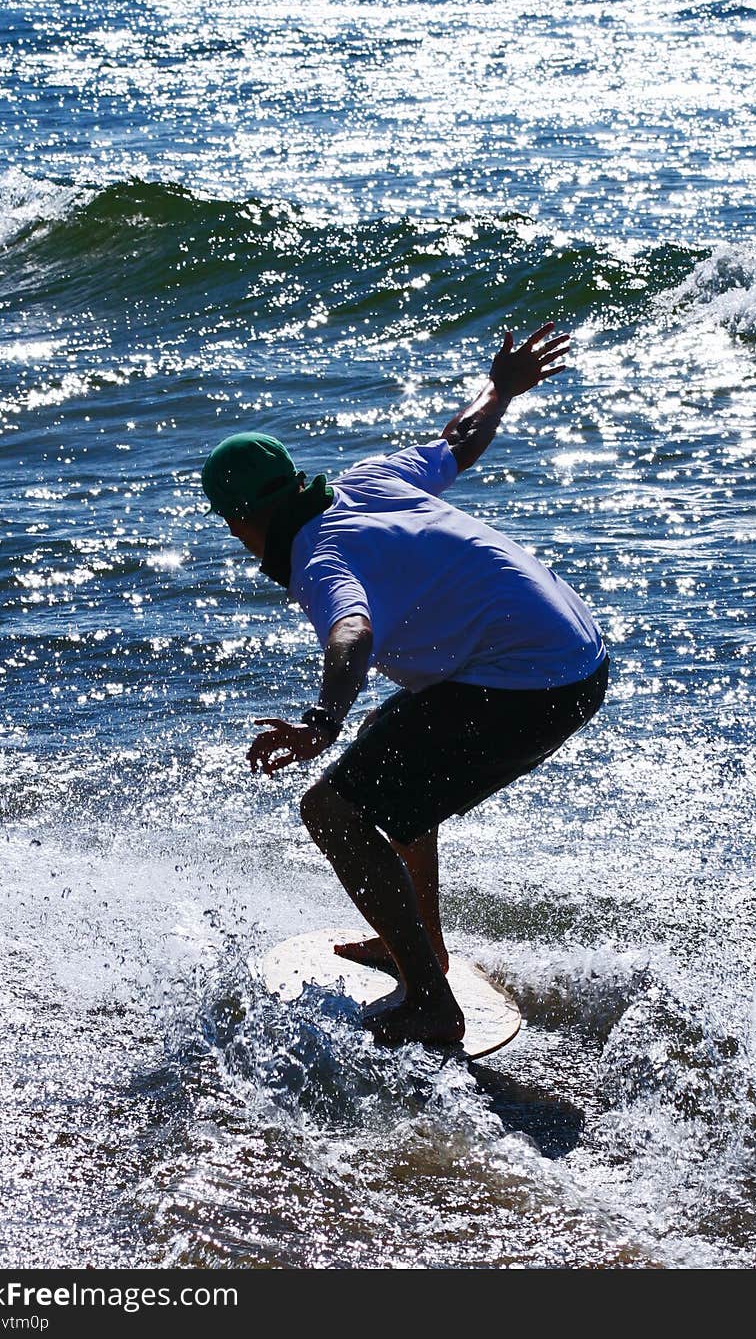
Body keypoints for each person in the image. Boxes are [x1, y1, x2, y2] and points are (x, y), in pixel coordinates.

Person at [201, 323, 608, 1047]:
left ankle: (430, 1001)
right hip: (570, 652)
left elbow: (350, 632)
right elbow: (459, 439)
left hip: (528, 683)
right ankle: (418, 946)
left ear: (242, 521)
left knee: (332, 809)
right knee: (386, 755)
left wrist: (320, 720)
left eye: (234, 528)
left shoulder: (317, 559)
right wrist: (502, 388)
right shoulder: (368, 480)